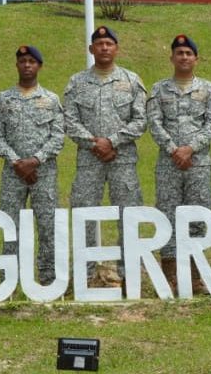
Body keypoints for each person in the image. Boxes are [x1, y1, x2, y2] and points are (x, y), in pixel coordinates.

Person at [64, 25, 147, 285]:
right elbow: (69, 120)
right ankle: (85, 274)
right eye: (99, 44)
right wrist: (94, 144)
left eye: (109, 44)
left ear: (117, 49)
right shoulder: (77, 82)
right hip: (89, 160)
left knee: (128, 214)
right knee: (84, 214)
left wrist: (111, 142)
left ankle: (130, 274)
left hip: (122, 159)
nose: (104, 48)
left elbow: (140, 120)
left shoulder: (132, 81)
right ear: (91, 49)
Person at [145, 34, 211, 292]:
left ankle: (196, 276)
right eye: (180, 53)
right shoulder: (159, 89)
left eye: (189, 53)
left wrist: (191, 149)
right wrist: (173, 149)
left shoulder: (208, 89)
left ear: (196, 59)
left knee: (198, 216)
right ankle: (170, 277)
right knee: (168, 217)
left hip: (198, 164)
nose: (184, 57)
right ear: (172, 58)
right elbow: (154, 123)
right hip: (168, 164)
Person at [0, 45, 66, 285]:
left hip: (43, 173)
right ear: (16, 65)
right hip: (12, 174)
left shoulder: (51, 100)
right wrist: (16, 162)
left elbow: (58, 136)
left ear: (39, 66)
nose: (27, 65)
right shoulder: (3, 99)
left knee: (47, 226)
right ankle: (9, 281)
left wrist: (35, 161)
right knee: (10, 225)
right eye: (22, 61)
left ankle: (48, 280)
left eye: (32, 61)